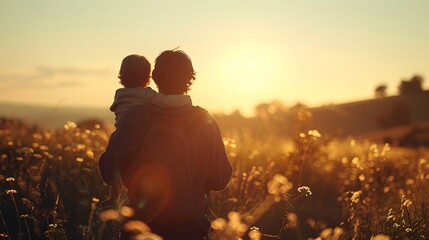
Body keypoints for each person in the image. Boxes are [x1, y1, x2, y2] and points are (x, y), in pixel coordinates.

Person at [99, 50, 232, 239]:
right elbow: (220, 179)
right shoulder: (205, 121)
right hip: (189, 230)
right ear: (190, 79)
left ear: (154, 77)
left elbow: (110, 172)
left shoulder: (133, 118)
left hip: (139, 229)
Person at [102, 54, 192, 206]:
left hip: (122, 133)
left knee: (118, 166)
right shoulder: (147, 95)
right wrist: (185, 101)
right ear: (148, 78)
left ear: (121, 76)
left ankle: (114, 198)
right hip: (140, 135)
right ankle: (130, 201)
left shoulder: (119, 94)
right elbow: (165, 102)